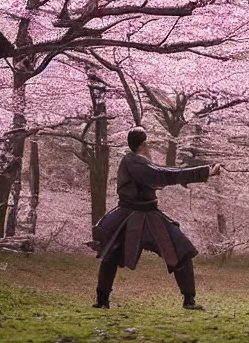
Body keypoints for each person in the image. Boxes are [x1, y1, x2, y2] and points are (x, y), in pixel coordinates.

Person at [87, 126, 221, 310]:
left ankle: (189, 300)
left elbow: (160, 172)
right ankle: (102, 300)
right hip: (132, 217)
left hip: (146, 215)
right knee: (112, 255)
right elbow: (162, 175)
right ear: (144, 144)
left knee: (181, 251)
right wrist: (205, 172)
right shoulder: (134, 162)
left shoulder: (136, 161)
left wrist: (204, 172)